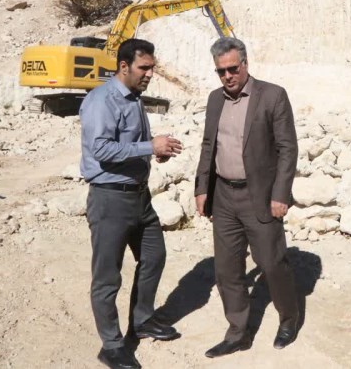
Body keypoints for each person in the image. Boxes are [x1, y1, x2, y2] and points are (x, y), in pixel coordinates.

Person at [80, 38, 184, 369]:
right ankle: (111, 346)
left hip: (139, 196)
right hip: (110, 199)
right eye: (144, 68)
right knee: (107, 277)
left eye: (152, 67)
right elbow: (101, 149)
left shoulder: (134, 98)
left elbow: (132, 144)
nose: (150, 73)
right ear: (124, 66)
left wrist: (155, 152)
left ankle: (142, 320)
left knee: (154, 257)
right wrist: (148, 147)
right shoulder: (101, 100)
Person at [194, 37, 300, 358]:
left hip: (261, 196)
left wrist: (280, 194)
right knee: (227, 268)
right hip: (224, 196)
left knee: (271, 262)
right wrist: (202, 188)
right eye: (221, 71)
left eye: (232, 69)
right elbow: (208, 146)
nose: (227, 76)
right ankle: (237, 332)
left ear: (245, 64)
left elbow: (287, 148)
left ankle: (289, 318)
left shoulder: (272, 96)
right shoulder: (215, 100)